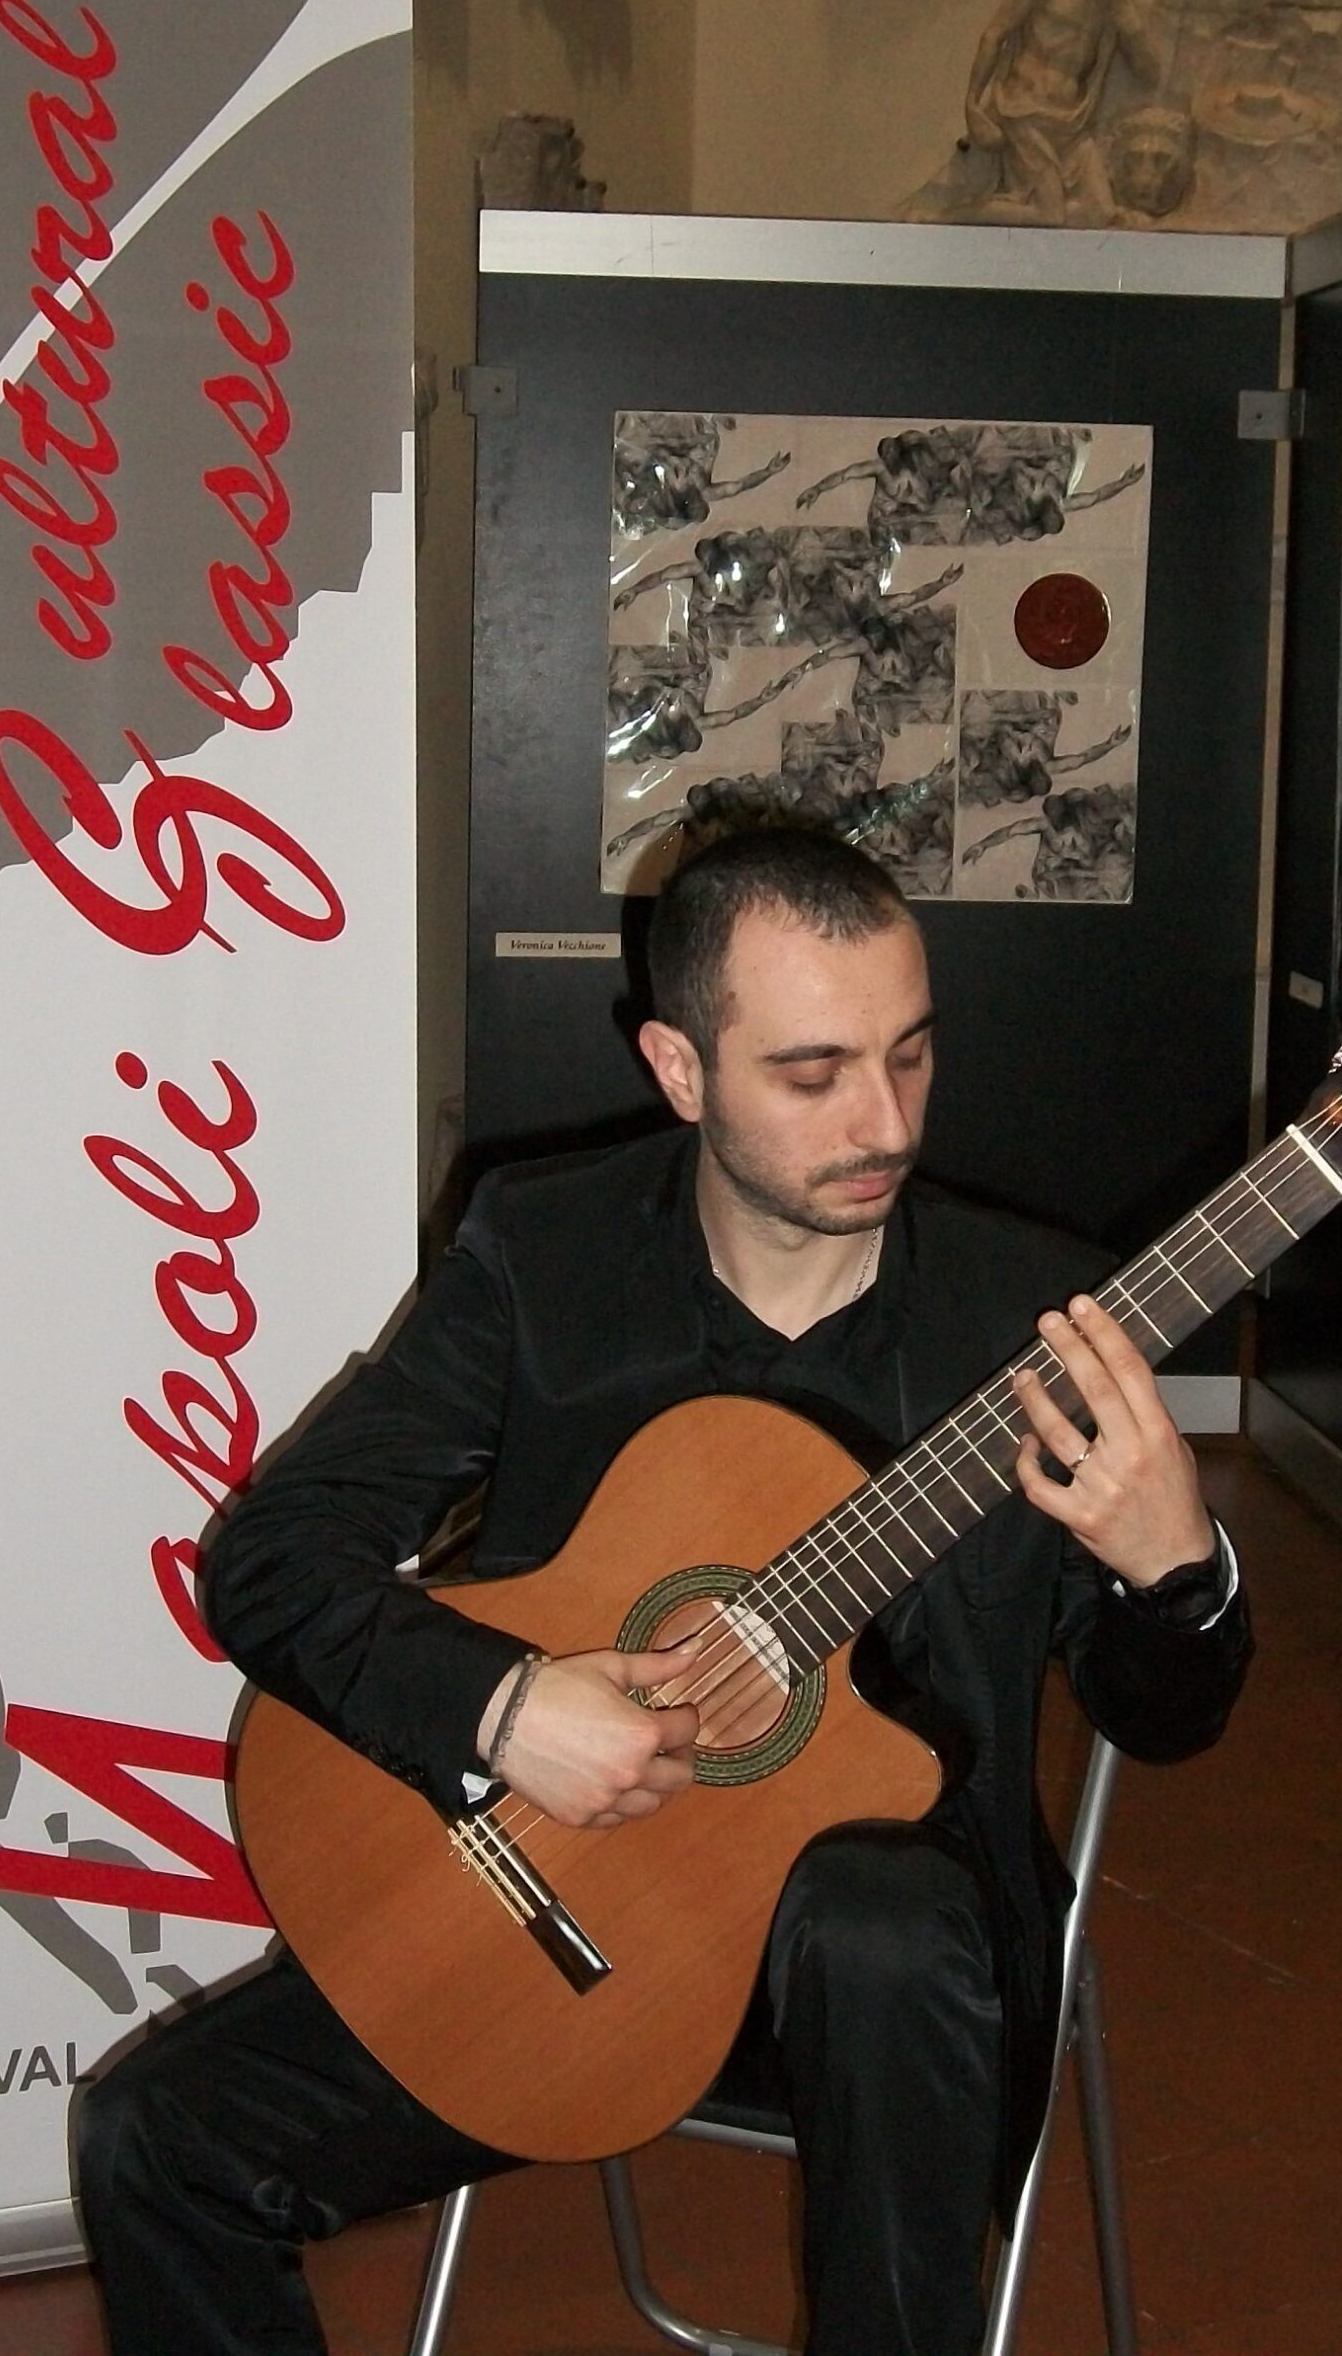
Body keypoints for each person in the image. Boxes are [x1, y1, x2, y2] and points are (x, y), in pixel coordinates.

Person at [76, 825, 1251, 2356]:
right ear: (681, 1070)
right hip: (572, 1921)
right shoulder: (545, 1255)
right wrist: (505, 1708)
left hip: (902, 2000)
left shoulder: (1028, 1326)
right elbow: (272, 1558)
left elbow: (1161, 1719)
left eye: (911, 1055)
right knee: (156, 2141)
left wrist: (1176, 1571)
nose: (885, 1121)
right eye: (814, 1074)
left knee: (881, 1932)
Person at [963, 0, 1160, 226]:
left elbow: (1149, 73)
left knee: (1105, 214)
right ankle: (946, 219)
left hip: (1072, 123)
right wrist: (973, 104)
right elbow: (996, 32)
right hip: (1025, 111)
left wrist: (1134, 29)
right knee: (1051, 214)